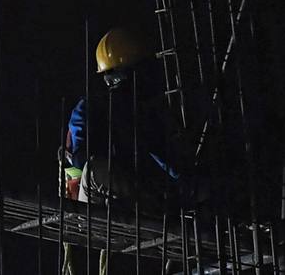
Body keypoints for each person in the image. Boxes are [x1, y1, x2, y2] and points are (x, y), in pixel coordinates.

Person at [60, 27, 191, 275]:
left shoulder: (147, 113)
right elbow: (78, 167)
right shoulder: (91, 110)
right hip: (99, 208)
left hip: (141, 202)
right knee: (93, 171)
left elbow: (170, 161)